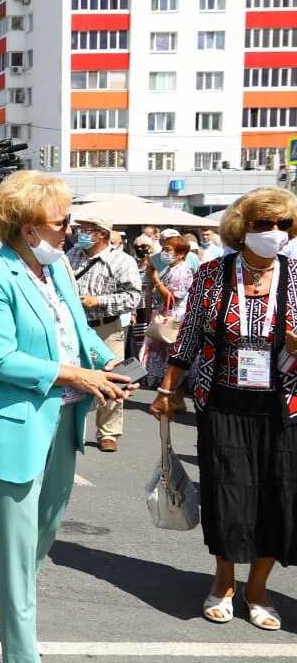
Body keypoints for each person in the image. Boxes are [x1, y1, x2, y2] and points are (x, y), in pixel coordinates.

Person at [0, 171, 134, 662]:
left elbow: (80, 332)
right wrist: (78, 375)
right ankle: (22, 653)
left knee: (44, 532)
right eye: (62, 222)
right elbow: (2, 359)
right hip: (14, 426)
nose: (71, 230)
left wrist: (110, 363)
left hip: (64, 420)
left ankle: (3, 605)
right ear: (29, 228)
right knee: (17, 550)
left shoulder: (57, 271)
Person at [151, 187, 297, 632]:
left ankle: (259, 589)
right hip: (222, 402)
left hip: (283, 405)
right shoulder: (214, 272)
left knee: (278, 496)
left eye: (283, 224)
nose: (274, 232)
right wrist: (167, 389)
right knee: (227, 495)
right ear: (242, 228)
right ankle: (224, 582)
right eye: (263, 224)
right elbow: (190, 334)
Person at [67, 214, 142, 452]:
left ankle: (108, 432)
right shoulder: (71, 255)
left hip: (107, 326)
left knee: (114, 377)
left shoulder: (122, 261)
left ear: (102, 234)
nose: (81, 234)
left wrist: (98, 301)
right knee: (75, 376)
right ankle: (72, 428)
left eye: (87, 230)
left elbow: (133, 297)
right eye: (80, 229)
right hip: (75, 326)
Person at [142, 234, 196, 394]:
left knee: (171, 352)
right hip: (166, 314)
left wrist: (156, 280)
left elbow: (173, 297)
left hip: (174, 317)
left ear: (180, 254)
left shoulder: (182, 270)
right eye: (163, 250)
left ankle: (171, 388)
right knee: (163, 351)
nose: (164, 253)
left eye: (168, 250)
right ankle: (166, 387)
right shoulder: (171, 268)